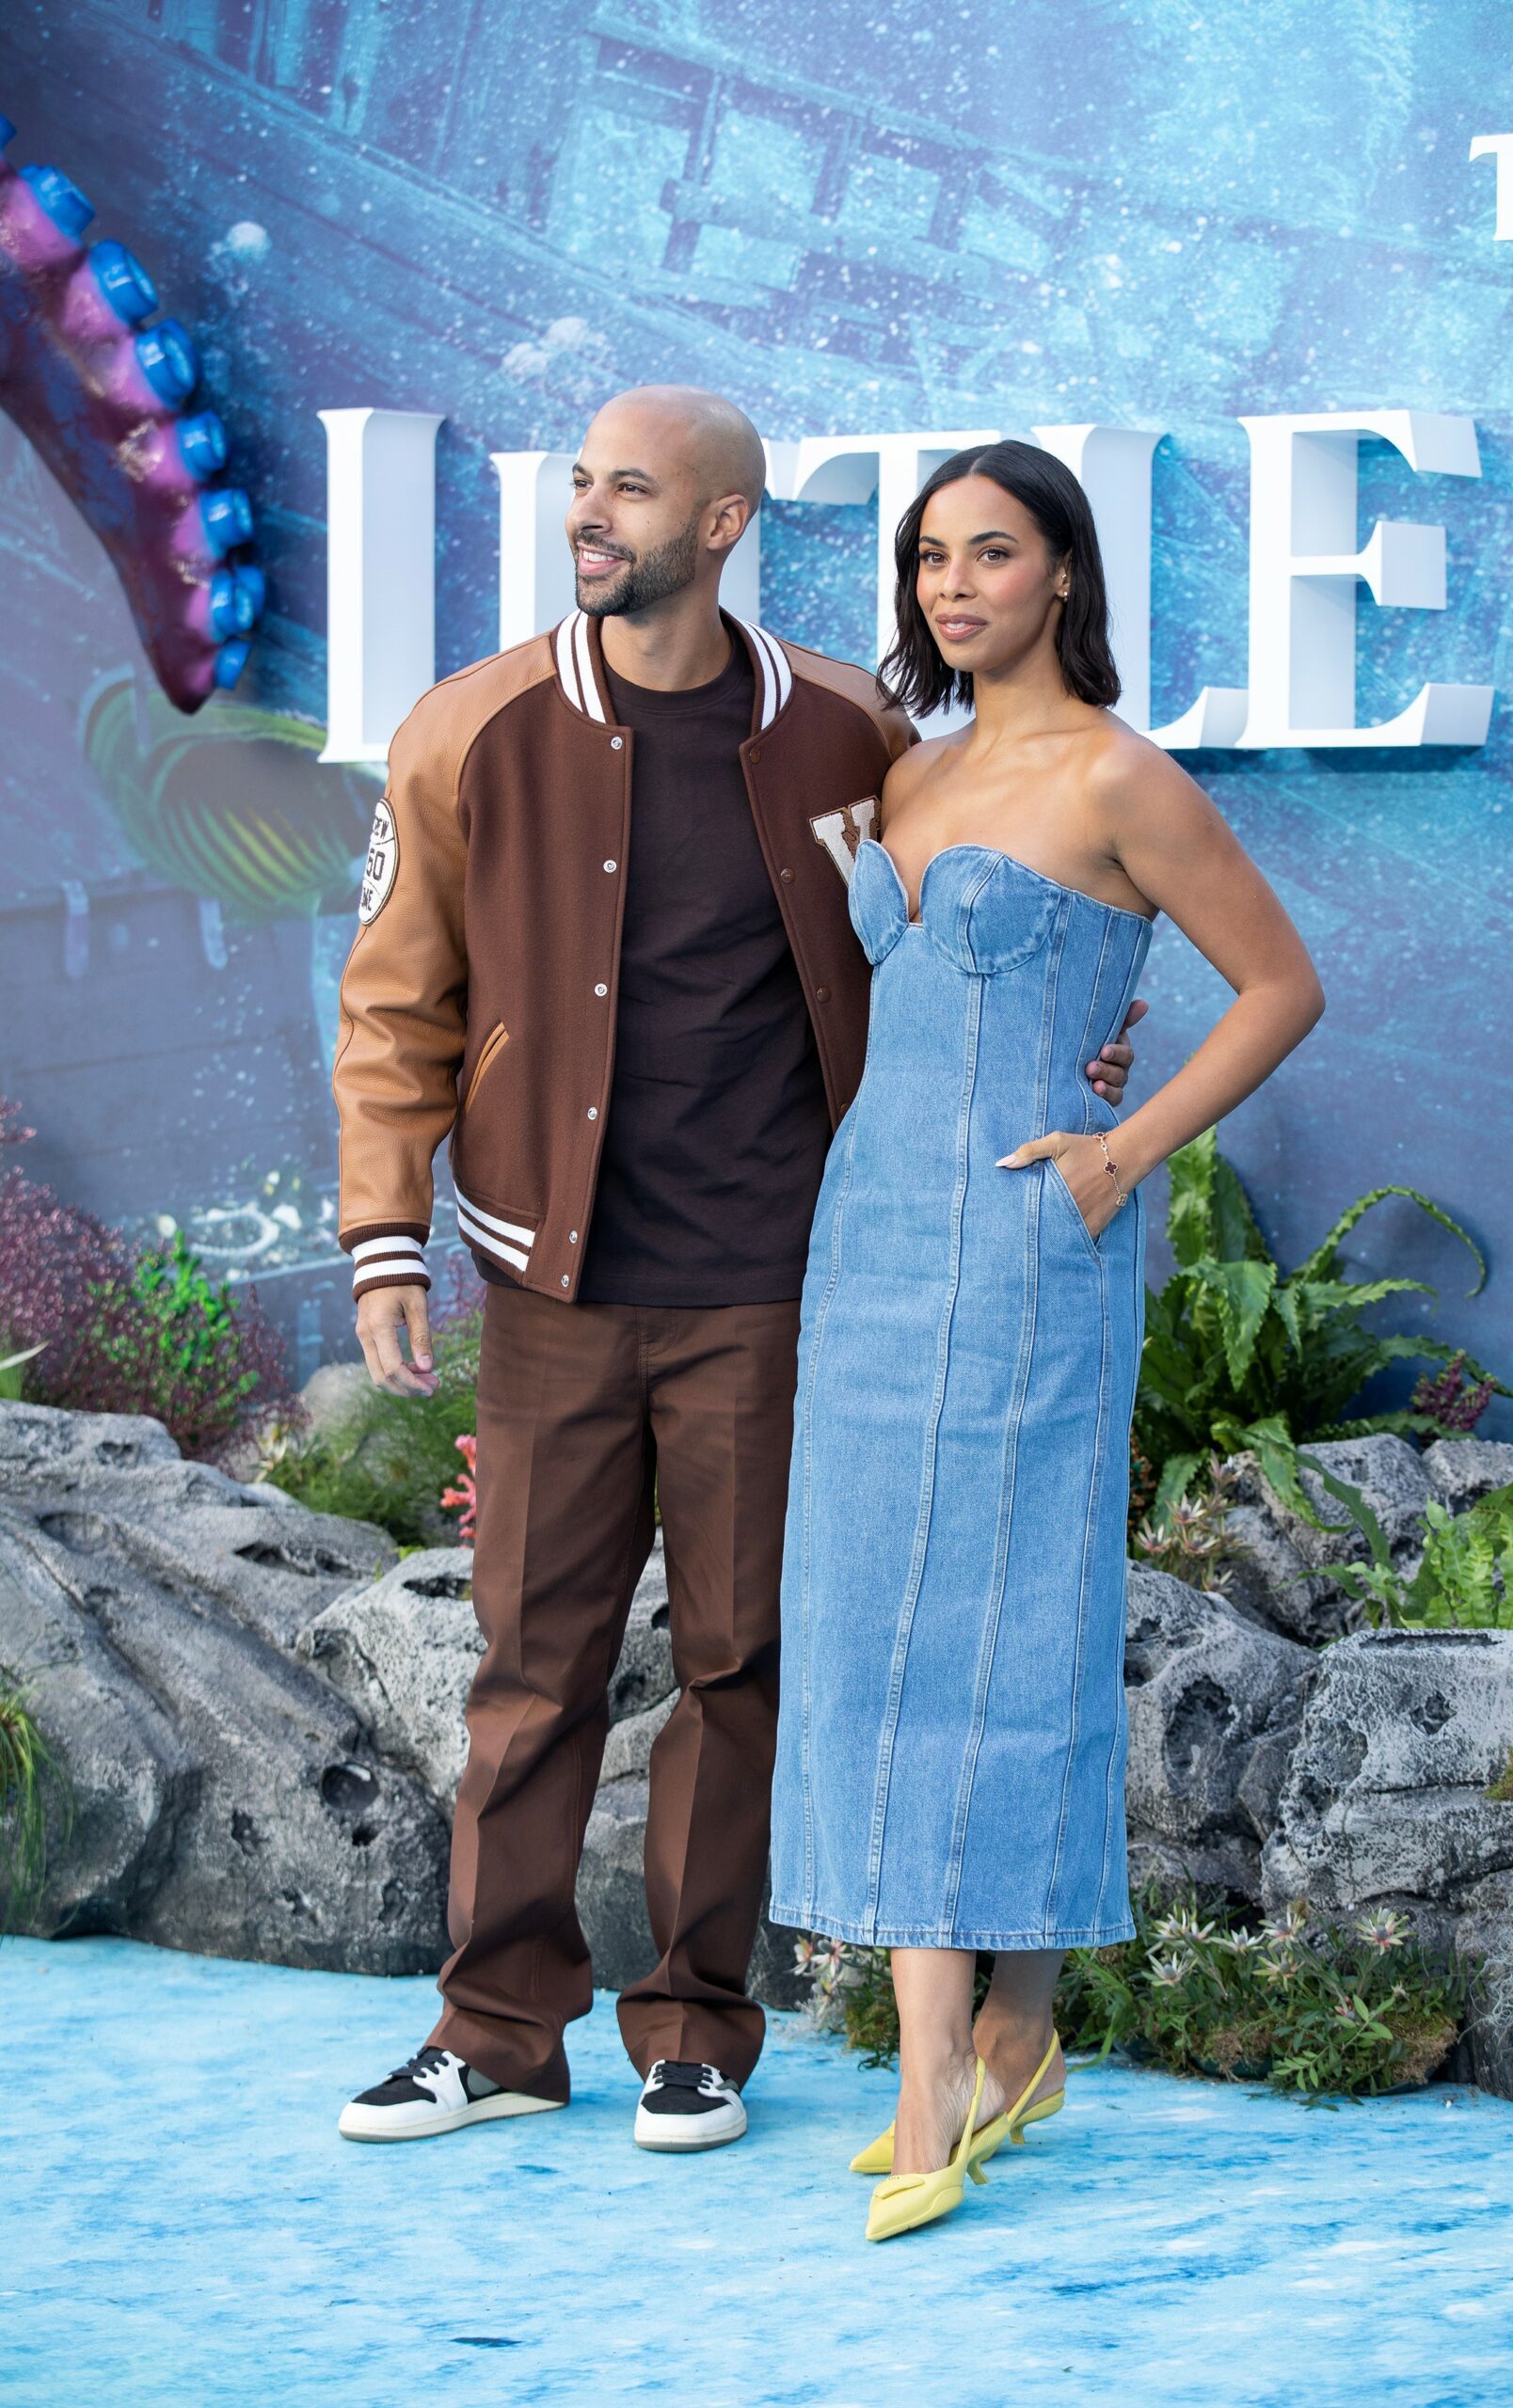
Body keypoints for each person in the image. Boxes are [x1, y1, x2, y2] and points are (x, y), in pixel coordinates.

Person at [328, 389, 1144, 2149]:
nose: (586, 515)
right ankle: (492, 2033)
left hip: (783, 1286)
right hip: (551, 1279)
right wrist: (382, 1230)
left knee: (739, 1663)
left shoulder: (850, 734)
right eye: (578, 484)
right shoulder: (467, 729)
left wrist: (1084, 1047)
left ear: (722, 525)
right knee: (529, 1670)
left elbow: (991, 914)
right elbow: (399, 994)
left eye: (629, 488)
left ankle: (696, 2029)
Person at [768, 439, 1326, 2240]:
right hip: (866, 1246)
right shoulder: (908, 773)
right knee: (869, 1625)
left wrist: (1123, 1141)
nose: (952, 586)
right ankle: (993, 2030)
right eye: (930, 557)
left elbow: (1282, 985)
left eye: (989, 555)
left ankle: (966, 2050)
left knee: (1001, 1635)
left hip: (1027, 1250)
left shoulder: (1119, 775)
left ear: (1062, 575)